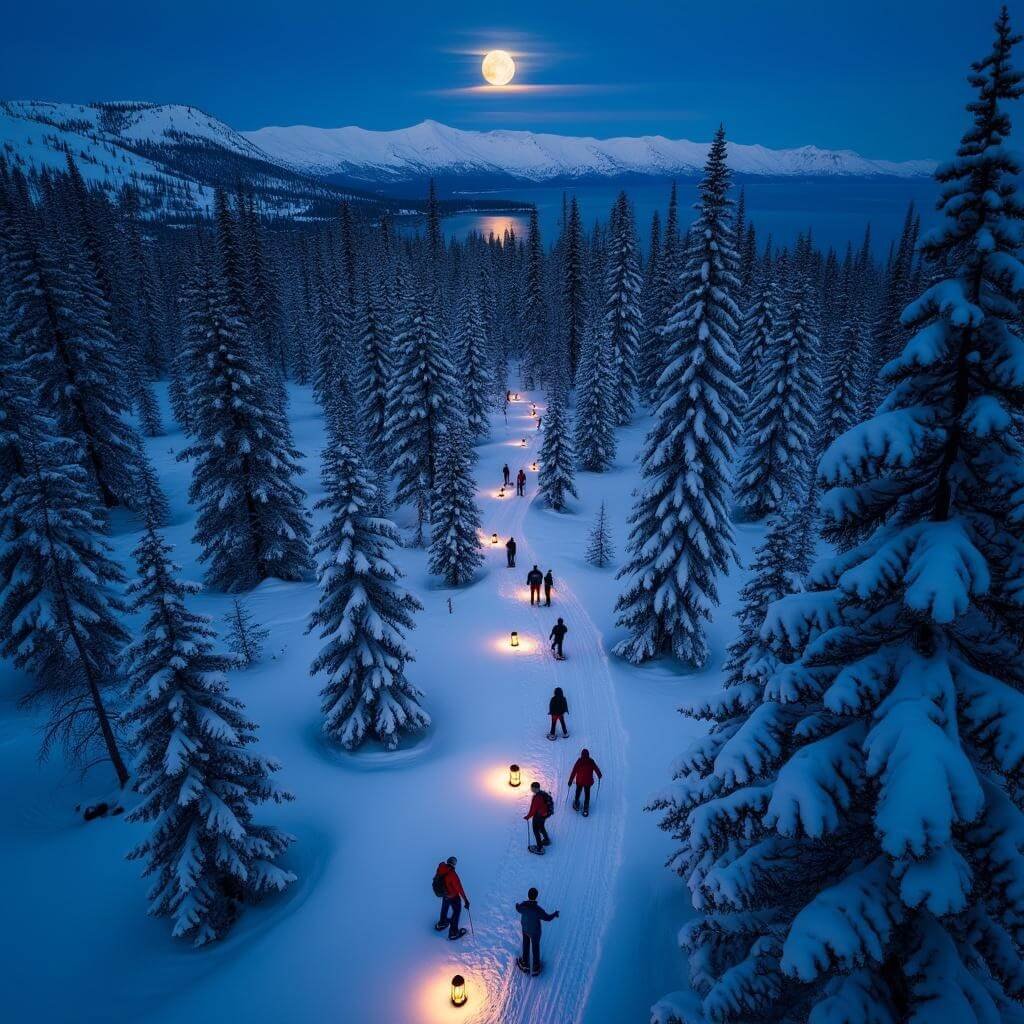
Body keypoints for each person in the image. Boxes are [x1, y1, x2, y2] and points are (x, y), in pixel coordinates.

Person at [516, 887, 559, 976]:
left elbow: (518, 908)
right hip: (535, 932)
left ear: (528, 895)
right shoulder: (537, 909)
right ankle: (536, 967)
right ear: (536, 896)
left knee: (526, 944)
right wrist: (554, 914)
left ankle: (524, 964)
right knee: (535, 947)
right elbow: (547, 918)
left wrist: (517, 905)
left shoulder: (523, 906)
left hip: (525, 929)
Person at [433, 856, 470, 940]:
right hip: (453, 896)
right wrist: (466, 900)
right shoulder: (453, 874)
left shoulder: (441, 868)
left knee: (445, 907)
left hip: (444, 894)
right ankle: (453, 933)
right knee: (457, 911)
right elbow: (459, 888)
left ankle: (441, 923)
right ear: (454, 864)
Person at [568, 749, 603, 816]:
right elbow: (596, 768)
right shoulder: (591, 761)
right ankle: (585, 808)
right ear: (588, 755)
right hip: (588, 782)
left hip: (580, 781)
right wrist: (599, 774)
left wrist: (570, 780)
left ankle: (576, 804)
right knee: (587, 794)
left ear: (581, 755)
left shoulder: (579, 761)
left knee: (578, 792)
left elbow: (574, 771)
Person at [524, 781, 553, 852]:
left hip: (538, 816)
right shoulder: (542, 794)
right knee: (541, 827)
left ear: (536, 788)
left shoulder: (537, 798)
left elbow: (533, 810)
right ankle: (546, 840)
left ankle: (539, 847)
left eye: (532, 788)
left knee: (536, 830)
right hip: (544, 815)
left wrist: (528, 816)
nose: (531, 789)